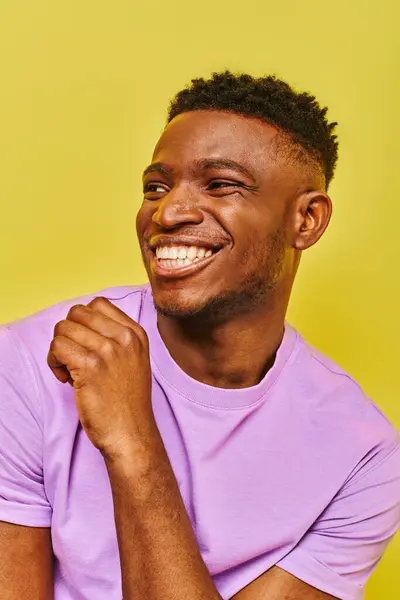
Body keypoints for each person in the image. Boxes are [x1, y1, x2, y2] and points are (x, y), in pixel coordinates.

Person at [0, 70, 399, 600]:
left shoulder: (364, 458)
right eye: (155, 188)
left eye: (220, 184)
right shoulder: (35, 363)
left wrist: (132, 443)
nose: (167, 212)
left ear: (307, 219)